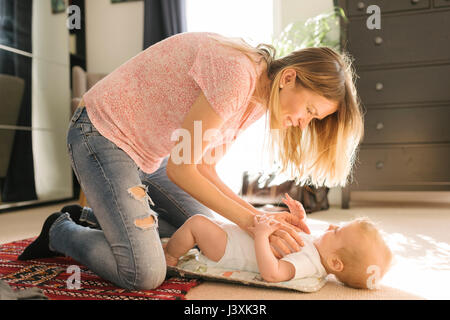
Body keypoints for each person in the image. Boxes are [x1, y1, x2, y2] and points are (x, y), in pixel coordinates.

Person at [18, 31, 364, 291]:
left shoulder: (257, 102)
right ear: (289, 78)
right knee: (145, 273)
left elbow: (204, 167)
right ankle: (60, 231)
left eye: (313, 119)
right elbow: (181, 169)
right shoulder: (238, 76)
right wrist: (252, 222)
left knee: (205, 228)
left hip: (146, 156)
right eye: (309, 111)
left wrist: (260, 218)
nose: (304, 122)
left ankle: (97, 219)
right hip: (102, 135)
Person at [164, 194, 393, 289]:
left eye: (337, 232)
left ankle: (170, 257)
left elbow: (272, 274)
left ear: (335, 263)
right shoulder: (317, 251)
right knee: (197, 224)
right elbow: (297, 238)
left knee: (196, 223)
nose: (331, 227)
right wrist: (299, 220)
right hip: (233, 235)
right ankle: (172, 241)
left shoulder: (308, 265)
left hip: (228, 249)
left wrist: (262, 236)